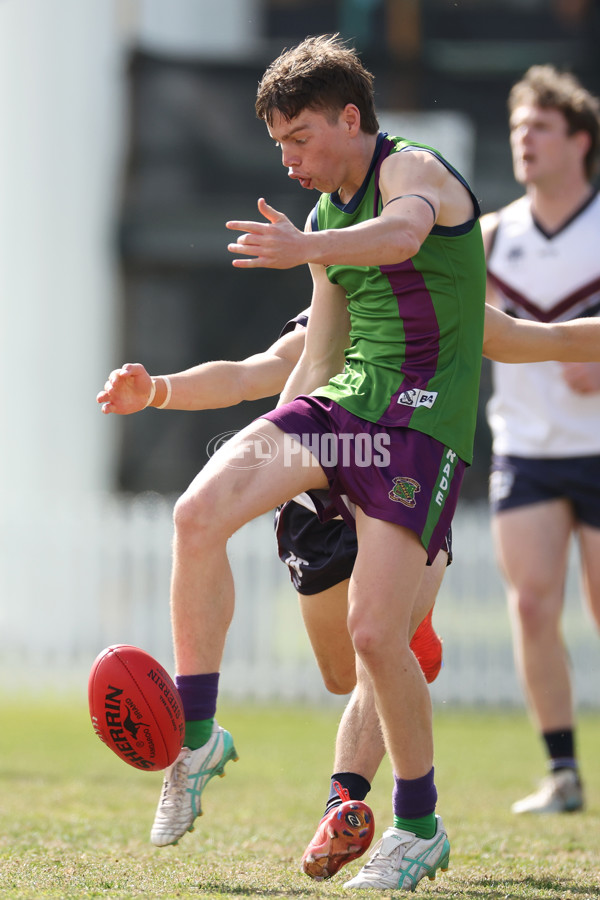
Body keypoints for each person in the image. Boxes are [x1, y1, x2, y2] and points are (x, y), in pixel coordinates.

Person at [99, 38, 600, 890]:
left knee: (370, 640)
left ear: (351, 118)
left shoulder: (418, 175)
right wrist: (175, 400)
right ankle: (198, 735)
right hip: (345, 414)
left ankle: (417, 824)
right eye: (278, 145)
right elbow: (297, 361)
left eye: (298, 138)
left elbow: (409, 243)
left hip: (421, 433)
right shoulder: (329, 226)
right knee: (197, 513)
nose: (287, 159)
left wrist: (308, 252)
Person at [99, 301, 600, 879]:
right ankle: (407, 639)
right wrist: (156, 390)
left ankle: (348, 805)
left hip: (406, 471)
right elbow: (245, 375)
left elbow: (543, 336)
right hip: (318, 509)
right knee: (341, 673)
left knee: (377, 645)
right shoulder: (338, 302)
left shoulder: (440, 293)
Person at [483, 64, 600, 816]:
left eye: (542, 128)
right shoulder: (491, 234)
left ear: (580, 141)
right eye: (518, 128)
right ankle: (562, 772)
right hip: (524, 449)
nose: (525, 140)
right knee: (530, 608)